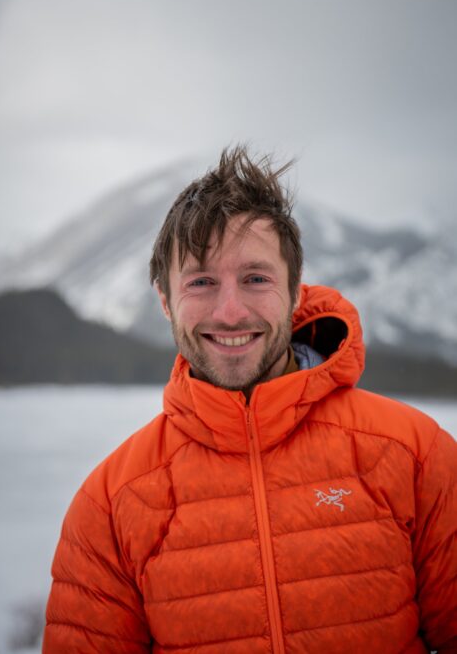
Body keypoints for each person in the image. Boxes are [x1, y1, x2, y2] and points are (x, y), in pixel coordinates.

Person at [43, 146, 456, 653]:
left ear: (296, 293)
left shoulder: (416, 455)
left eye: (256, 279)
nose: (231, 312)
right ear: (166, 302)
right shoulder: (110, 503)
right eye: (202, 282)